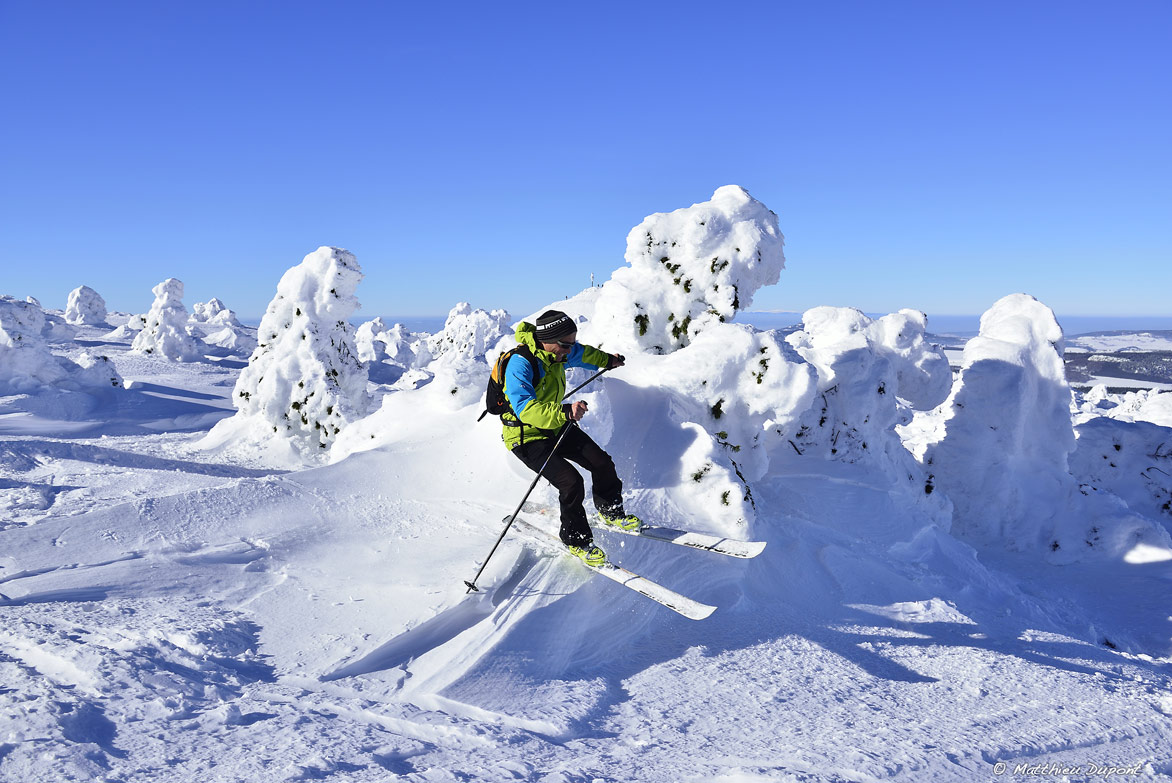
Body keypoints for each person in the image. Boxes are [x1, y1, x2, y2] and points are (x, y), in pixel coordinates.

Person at [502, 310, 642, 566]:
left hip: (555, 425)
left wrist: (607, 360)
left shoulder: (559, 353)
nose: (569, 350)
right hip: (526, 435)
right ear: (548, 339)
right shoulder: (520, 364)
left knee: (601, 462)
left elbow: (583, 354)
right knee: (571, 482)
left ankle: (610, 511)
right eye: (565, 345)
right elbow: (525, 408)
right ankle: (576, 540)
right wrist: (566, 411)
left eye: (571, 344)